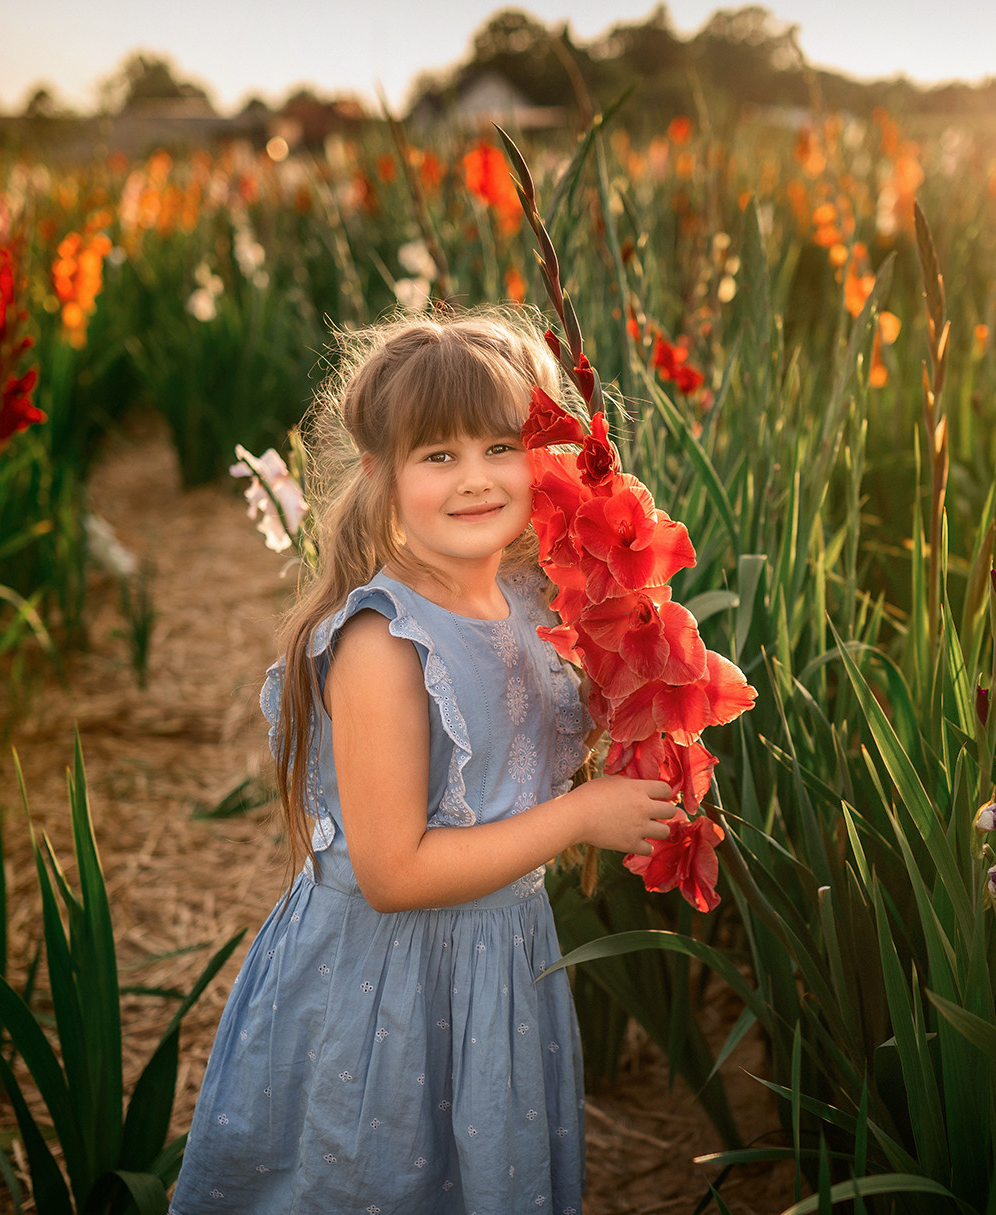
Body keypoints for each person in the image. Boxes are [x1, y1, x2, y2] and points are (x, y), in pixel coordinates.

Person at [171, 310, 678, 1214]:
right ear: (380, 476)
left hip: (498, 973)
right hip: (387, 994)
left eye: (500, 445)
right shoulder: (385, 645)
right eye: (437, 455)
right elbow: (393, 871)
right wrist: (578, 816)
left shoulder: (534, 600)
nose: (477, 478)